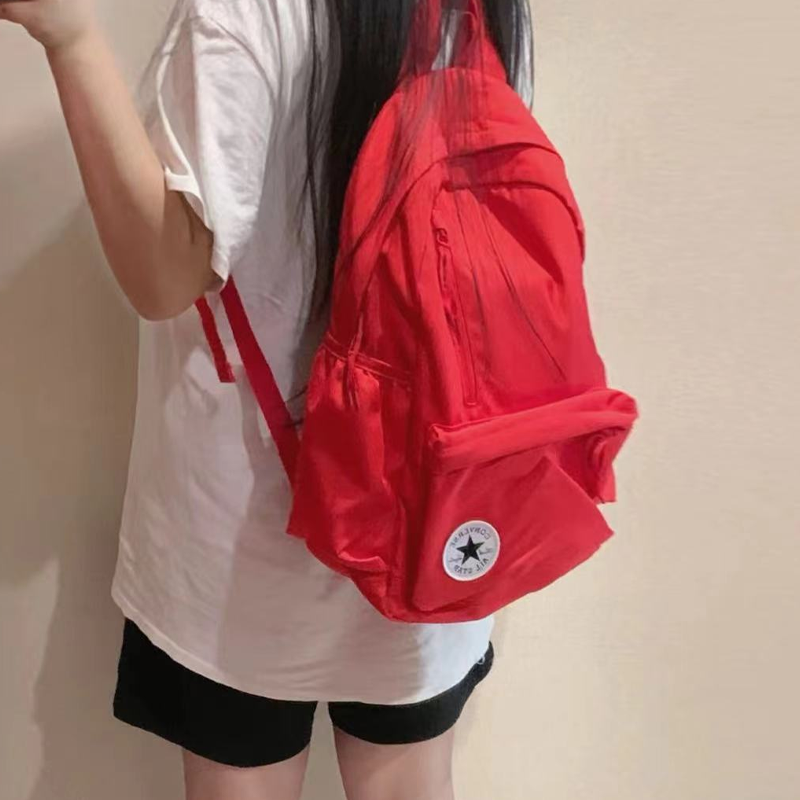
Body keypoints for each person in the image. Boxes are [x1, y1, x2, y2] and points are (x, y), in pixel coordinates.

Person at [1, 0, 532, 797]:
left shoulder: (241, 11)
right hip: (436, 504)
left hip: (244, 538)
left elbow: (164, 277)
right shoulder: (486, 9)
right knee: (410, 784)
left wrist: (68, 34)